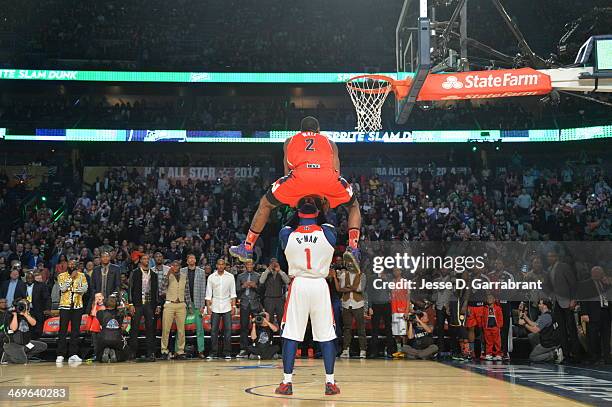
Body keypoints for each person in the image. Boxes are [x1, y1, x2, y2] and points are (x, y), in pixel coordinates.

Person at [230, 116, 361, 269]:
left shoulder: (290, 141)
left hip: (300, 177)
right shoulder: (330, 143)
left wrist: (292, 196)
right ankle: (353, 247)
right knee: (353, 206)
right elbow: (336, 171)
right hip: (326, 177)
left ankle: (247, 247)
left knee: (265, 204)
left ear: (300, 131)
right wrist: (326, 196)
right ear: (318, 131)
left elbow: (287, 171)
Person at [275, 196, 340, 396]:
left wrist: (296, 213)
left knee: (291, 334)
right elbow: (327, 220)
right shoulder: (329, 232)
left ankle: (287, 383)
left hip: (299, 284)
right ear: (317, 214)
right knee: (327, 335)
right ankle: (330, 383)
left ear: (299, 215)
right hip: (320, 284)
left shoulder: (287, 233)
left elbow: (288, 224)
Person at [128, 254, 160, 362]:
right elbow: (130, 288)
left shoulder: (154, 275)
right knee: (134, 329)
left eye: (147, 259)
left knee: (151, 329)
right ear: (140, 261)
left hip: (150, 304)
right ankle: (132, 353)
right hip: (137, 304)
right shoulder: (135, 273)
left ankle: (151, 353)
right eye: (144, 259)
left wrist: (158, 304)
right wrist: (131, 304)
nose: (146, 261)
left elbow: (156, 291)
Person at [56, 258, 88, 364]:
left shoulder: (82, 275)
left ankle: (73, 354)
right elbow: (63, 289)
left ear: (76, 265)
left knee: (75, 331)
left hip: (77, 306)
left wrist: (75, 289)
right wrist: (71, 278)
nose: (72, 265)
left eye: (74, 263)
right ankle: (60, 354)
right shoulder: (61, 276)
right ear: (66, 265)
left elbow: (85, 289)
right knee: (62, 331)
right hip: (65, 306)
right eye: (70, 263)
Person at [578, 266, 611, 364]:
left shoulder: (605, 284)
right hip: (592, 313)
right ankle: (594, 357)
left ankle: (606, 357)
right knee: (593, 337)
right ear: (592, 273)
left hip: (605, 312)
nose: (599, 274)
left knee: (606, 336)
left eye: (600, 272)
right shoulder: (585, 284)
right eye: (597, 272)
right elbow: (583, 299)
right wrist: (584, 313)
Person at [205, 258, 237, 359]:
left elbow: (233, 293)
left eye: (222, 264)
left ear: (225, 266)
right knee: (214, 330)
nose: (220, 266)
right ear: (216, 266)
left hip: (227, 305)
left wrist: (234, 306)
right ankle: (213, 352)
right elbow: (208, 294)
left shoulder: (230, 277)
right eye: (219, 264)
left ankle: (227, 352)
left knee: (228, 330)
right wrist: (208, 307)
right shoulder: (211, 277)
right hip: (215, 305)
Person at [2, 298, 47, 364]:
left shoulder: (28, 314)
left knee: (42, 346)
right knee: (23, 361)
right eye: (21, 305)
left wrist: (25, 314)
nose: (22, 306)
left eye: (25, 305)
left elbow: (33, 323)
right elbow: (13, 328)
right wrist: (15, 315)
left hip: (25, 343)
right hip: (13, 344)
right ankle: (7, 357)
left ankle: (21, 355)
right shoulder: (10, 314)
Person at [160, 260, 188, 360]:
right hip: (169, 304)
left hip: (181, 304)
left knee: (181, 330)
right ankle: (164, 350)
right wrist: (167, 275)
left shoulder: (184, 276)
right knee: (166, 329)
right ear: (171, 266)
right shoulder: (167, 275)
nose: (175, 267)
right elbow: (161, 289)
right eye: (173, 265)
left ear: (180, 266)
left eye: (177, 265)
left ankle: (180, 351)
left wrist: (188, 305)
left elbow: (187, 292)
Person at [520, 298, 564, 363]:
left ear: (545, 306)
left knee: (533, 357)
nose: (538, 305)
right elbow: (534, 324)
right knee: (531, 336)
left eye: (540, 304)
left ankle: (554, 354)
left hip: (549, 343)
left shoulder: (546, 317)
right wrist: (525, 317)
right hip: (552, 340)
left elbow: (535, 330)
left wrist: (524, 324)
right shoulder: (547, 314)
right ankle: (545, 351)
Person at [338, 263, 367, 359]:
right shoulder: (343, 275)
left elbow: (360, 289)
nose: (350, 266)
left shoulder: (362, 275)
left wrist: (350, 288)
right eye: (349, 264)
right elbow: (341, 289)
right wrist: (351, 288)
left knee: (361, 328)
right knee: (347, 328)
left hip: (358, 304)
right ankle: (346, 350)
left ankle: (363, 350)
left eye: (352, 264)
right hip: (346, 303)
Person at [183, 253, 207, 359]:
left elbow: (203, 289)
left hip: (197, 304)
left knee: (200, 329)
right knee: (180, 328)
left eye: (193, 258)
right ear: (187, 261)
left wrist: (202, 305)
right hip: (184, 304)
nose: (192, 260)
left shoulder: (201, 272)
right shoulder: (181, 271)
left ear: (195, 260)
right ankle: (178, 351)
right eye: (190, 258)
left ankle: (200, 351)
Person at [237, 259, 262, 358]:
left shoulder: (258, 276)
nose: (249, 265)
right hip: (244, 304)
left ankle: (257, 347)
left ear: (253, 265)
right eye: (248, 264)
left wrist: (255, 286)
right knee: (244, 327)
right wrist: (243, 286)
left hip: (255, 304)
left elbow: (261, 290)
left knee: (258, 326)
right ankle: (244, 349)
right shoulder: (240, 276)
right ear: (245, 265)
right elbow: (237, 290)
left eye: (251, 264)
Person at [96, 295, 129, 363]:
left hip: (104, 338)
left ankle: (103, 353)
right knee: (124, 354)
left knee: (98, 353)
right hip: (117, 339)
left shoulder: (100, 313)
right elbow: (127, 327)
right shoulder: (121, 313)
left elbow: (100, 322)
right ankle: (115, 354)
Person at [259, 258, 289, 324]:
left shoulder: (281, 273)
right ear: (269, 264)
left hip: (279, 299)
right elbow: (261, 281)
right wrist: (268, 269)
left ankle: (282, 333)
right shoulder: (266, 273)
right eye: (272, 263)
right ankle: (269, 334)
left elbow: (287, 281)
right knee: (269, 319)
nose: (274, 265)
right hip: (269, 299)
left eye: (275, 263)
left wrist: (279, 270)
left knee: (281, 318)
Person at [25, 272, 51, 339]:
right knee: (28, 331)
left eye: (31, 278)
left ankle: (39, 347)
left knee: (38, 331)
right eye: (28, 278)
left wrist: (47, 309)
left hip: (38, 311)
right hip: (26, 311)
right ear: (25, 279)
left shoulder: (41, 285)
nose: (29, 280)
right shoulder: (22, 285)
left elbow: (47, 298)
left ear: (33, 278)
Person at [482, 293, 504, 361]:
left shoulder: (498, 308)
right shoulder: (485, 308)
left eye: (491, 298)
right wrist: (484, 326)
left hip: (495, 327)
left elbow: (500, 317)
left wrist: (499, 325)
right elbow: (483, 318)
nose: (489, 300)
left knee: (497, 341)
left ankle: (498, 354)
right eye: (488, 298)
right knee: (489, 342)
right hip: (487, 327)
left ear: (494, 300)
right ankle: (489, 354)